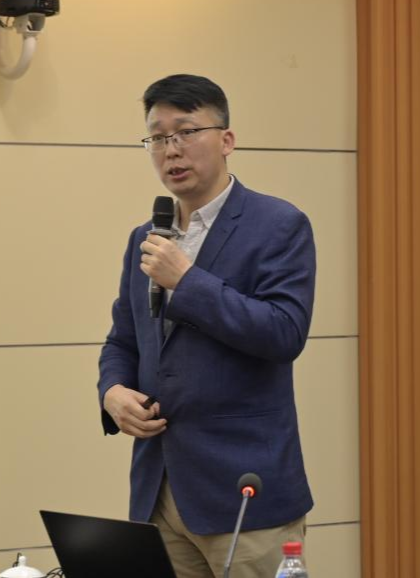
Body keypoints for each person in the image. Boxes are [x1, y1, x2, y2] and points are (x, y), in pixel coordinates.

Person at [97, 74, 316, 578]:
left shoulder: (279, 225)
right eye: (157, 137)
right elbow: (123, 340)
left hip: (245, 489)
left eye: (187, 131)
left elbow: (284, 332)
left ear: (226, 140)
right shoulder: (145, 237)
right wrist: (112, 391)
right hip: (159, 487)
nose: (171, 149)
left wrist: (188, 281)